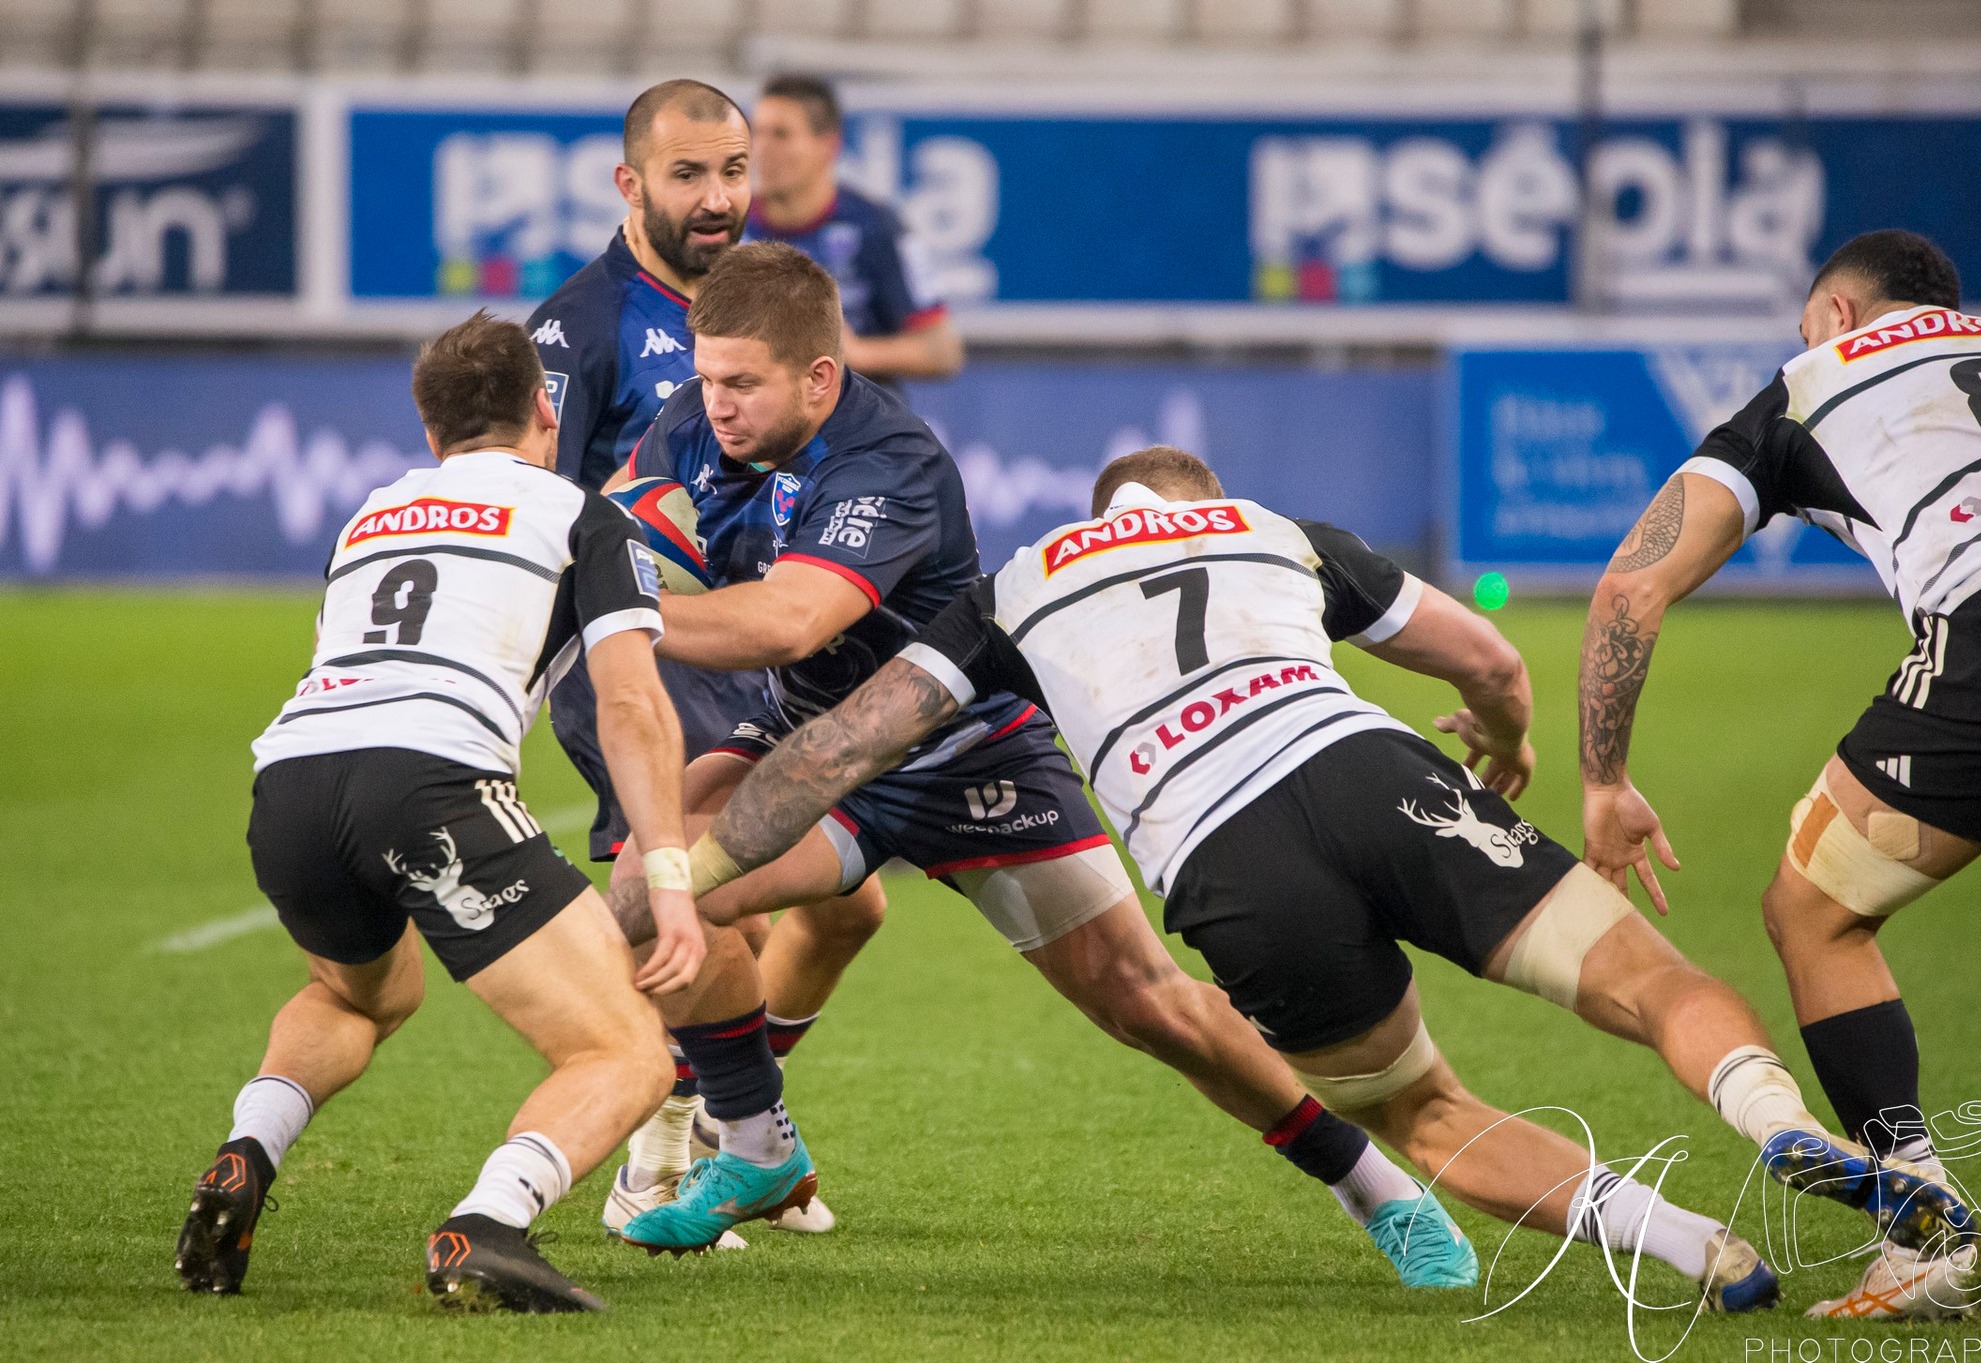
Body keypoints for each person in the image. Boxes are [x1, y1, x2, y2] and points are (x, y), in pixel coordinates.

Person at [674, 445, 1981, 1312]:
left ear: (1103, 510)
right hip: (1366, 767)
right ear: (1203, 495)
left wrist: (695, 864)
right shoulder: (1278, 532)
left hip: (1219, 857)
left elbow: (847, 743)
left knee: (1423, 1112)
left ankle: (1698, 1247)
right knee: (1651, 977)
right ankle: (1775, 1122)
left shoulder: (1022, 582)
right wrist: (1512, 739)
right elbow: (1485, 658)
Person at [602, 242, 1475, 1284]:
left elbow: (795, 619)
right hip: (810, 752)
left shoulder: (894, 462)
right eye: (706, 378)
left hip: (969, 753)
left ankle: (1370, 1183)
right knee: (651, 881)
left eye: (741, 383)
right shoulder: (693, 423)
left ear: (819, 377)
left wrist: (625, 611)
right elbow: (610, 517)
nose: (717, 406)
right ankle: (751, 1143)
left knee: (1145, 1002)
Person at [173, 314, 705, 1313]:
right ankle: (489, 1222)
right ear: (546, 409)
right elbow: (631, 704)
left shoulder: (371, 514)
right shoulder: (580, 513)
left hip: (289, 780)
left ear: (430, 434)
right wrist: (669, 875)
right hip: (428, 782)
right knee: (625, 1049)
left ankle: (246, 1150)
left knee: (362, 994)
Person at [1577, 229, 1981, 1320]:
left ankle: (1920, 1227)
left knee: (1813, 909)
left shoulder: (1805, 384)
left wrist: (1604, 779)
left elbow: (1629, 592)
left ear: (1831, 314)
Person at [523, 78, 868, 1238]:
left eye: (731, 172)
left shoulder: (754, 303)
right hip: (635, 654)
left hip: (745, 646)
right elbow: (537, 512)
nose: (719, 198)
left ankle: (732, 1125)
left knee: (845, 905)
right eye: (688, 175)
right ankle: (656, 1157)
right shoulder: (580, 329)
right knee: (698, 903)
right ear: (629, 185)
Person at [747, 73, 964, 386]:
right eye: (757, 133)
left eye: (781, 135)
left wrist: (856, 354)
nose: (762, 149)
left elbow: (942, 351)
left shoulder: (877, 227)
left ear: (828, 146)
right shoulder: (731, 228)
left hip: (857, 423)